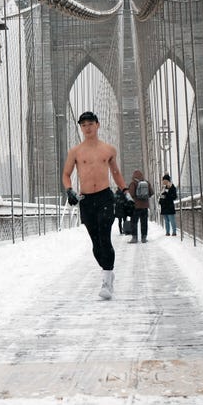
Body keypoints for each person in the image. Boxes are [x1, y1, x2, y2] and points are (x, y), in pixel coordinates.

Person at [62, 111, 131, 300]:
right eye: (83, 125)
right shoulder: (75, 152)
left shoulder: (108, 150)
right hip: (86, 200)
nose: (87, 127)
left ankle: (106, 281)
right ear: (81, 128)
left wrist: (125, 191)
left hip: (105, 197)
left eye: (90, 123)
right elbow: (66, 174)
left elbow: (115, 172)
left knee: (104, 236)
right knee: (95, 244)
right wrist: (69, 190)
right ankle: (108, 270)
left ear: (98, 125)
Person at [127, 169, 154, 244]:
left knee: (134, 222)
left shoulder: (133, 183)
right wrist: (145, 196)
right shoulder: (146, 182)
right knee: (144, 222)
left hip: (136, 206)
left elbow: (131, 194)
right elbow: (151, 193)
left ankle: (134, 237)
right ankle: (144, 237)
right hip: (145, 206)